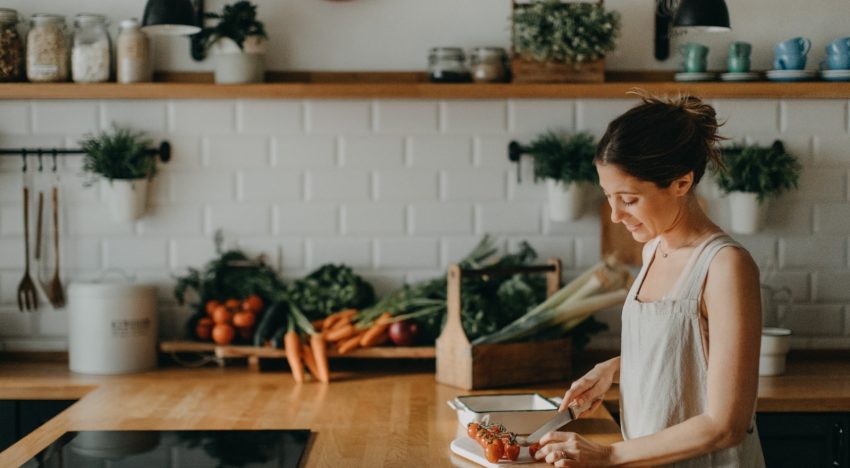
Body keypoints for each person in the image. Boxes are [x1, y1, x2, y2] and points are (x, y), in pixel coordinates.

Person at [534, 91, 765, 467]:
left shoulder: (726, 267)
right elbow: (688, 350)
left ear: (681, 183)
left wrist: (608, 455)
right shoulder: (653, 250)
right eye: (609, 197)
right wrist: (615, 367)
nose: (614, 215)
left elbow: (726, 425)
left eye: (628, 199)